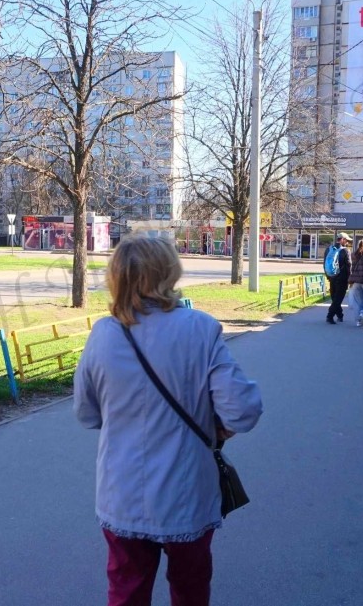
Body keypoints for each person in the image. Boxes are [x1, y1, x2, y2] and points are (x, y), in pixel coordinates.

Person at [73, 234, 263, 606]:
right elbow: (243, 410)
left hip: (123, 492)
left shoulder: (104, 334)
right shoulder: (200, 328)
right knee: (190, 588)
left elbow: (86, 413)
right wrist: (218, 428)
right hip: (186, 492)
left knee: (126, 591)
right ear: (169, 273)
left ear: (117, 277)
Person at [325, 233, 353, 324]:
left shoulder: (328, 249)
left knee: (335, 298)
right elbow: (349, 265)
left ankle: (340, 315)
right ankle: (330, 316)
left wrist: (328, 275)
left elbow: (324, 263)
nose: (347, 242)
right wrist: (350, 278)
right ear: (342, 239)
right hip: (342, 278)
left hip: (331, 276)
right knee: (338, 298)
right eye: (346, 240)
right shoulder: (345, 250)